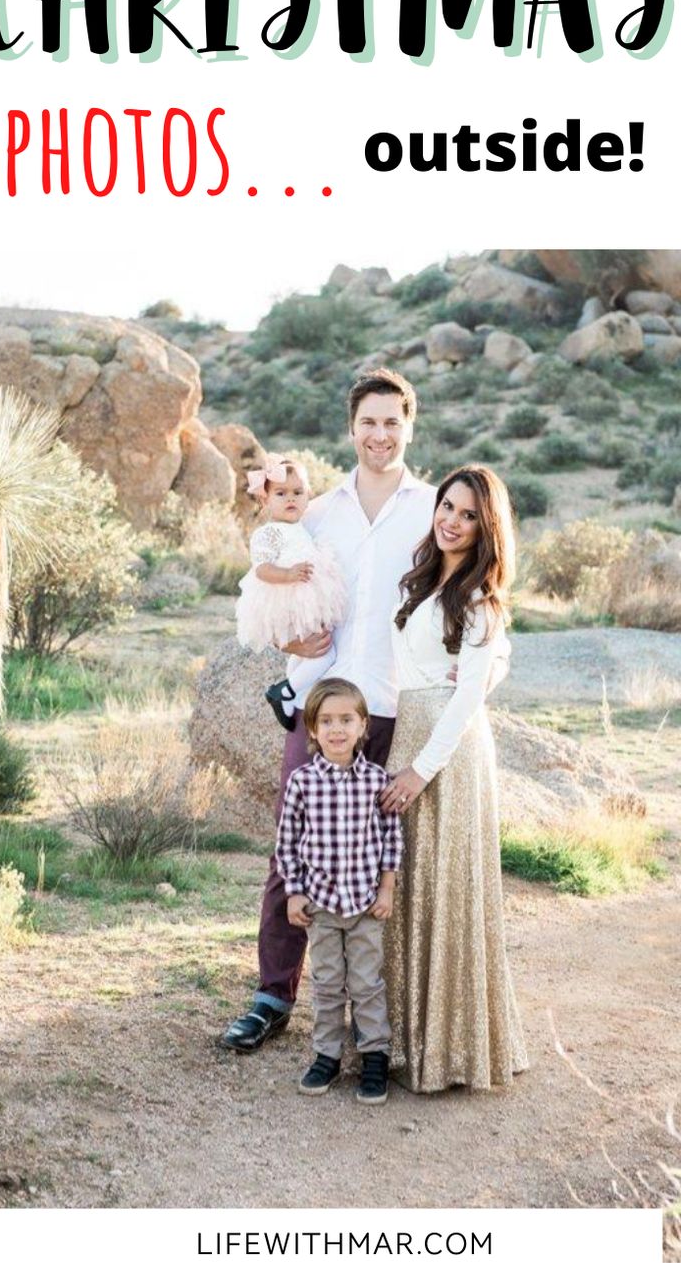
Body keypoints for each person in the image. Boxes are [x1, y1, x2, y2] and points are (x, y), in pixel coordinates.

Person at [222, 367, 437, 1052]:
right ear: (352, 428)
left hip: (397, 705)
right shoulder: (316, 511)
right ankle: (272, 993)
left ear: (409, 426)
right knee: (295, 844)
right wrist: (286, 635)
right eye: (368, 422)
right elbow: (265, 590)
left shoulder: (432, 508)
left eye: (392, 422)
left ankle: (382, 1012)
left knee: (387, 856)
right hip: (322, 706)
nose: (380, 434)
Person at [380, 465, 529, 1093]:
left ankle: (452, 1049)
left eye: (469, 514)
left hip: (448, 751)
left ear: (486, 526)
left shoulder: (478, 600)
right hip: (411, 730)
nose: (452, 520)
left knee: (446, 888)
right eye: (447, 506)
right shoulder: (422, 581)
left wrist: (419, 769)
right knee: (408, 887)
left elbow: (468, 698)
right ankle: (406, 1040)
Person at [276, 678, 403, 1103]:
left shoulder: (376, 780)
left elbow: (391, 838)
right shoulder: (302, 782)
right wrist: (294, 892)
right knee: (328, 983)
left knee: (366, 983)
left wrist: (387, 889)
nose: (336, 729)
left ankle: (374, 1058)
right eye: (326, 721)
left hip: (367, 904)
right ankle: (326, 1056)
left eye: (346, 720)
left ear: (363, 725)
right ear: (311, 729)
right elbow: (287, 843)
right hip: (322, 905)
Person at [235, 454, 347, 730]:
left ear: (308, 496)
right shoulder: (268, 533)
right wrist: (287, 575)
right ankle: (283, 690)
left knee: (305, 654)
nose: (291, 499)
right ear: (265, 501)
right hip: (286, 600)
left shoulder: (303, 528)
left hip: (306, 600)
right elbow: (261, 569)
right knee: (326, 653)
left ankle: (292, 697)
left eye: (298, 493)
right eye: (281, 493)